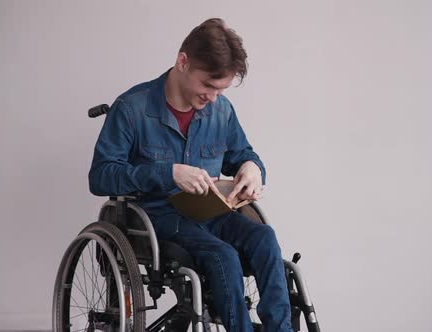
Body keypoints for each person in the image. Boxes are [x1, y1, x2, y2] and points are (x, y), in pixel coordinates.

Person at [88, 18, 293, 332]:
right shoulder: (131, 108)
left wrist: (252, 169)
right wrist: (168, 174)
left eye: (220, 89)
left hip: (210, 211)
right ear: (182, 62)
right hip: (156, 218)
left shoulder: (220, 111)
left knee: (264, 237)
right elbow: (101, 176)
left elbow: (242, 155)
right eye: (208, 85)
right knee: (223, 254)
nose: (212, 97)